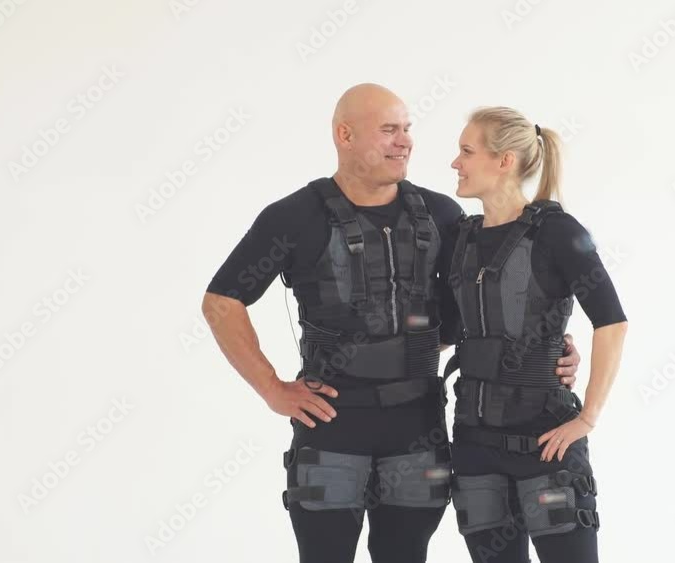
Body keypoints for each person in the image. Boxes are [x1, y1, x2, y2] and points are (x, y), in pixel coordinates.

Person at [200, 84, 581, 563]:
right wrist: (272, 389)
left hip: (417, 428)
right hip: (331, 425)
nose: (405, 141)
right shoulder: (293, 217)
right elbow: (221, 301)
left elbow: (487, 302)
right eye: (388, 130)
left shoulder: (442, 215)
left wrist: (551, 350)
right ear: (345, 136)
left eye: (406, 128)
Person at [444, 106, 629, 563]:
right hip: (474, 447)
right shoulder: (460, 239)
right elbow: (448, 332)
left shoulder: (557, 232)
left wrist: (587, 418)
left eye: (467, 151)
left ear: (504, 161)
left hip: (547, 443)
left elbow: (612, 322)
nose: (455, 162)